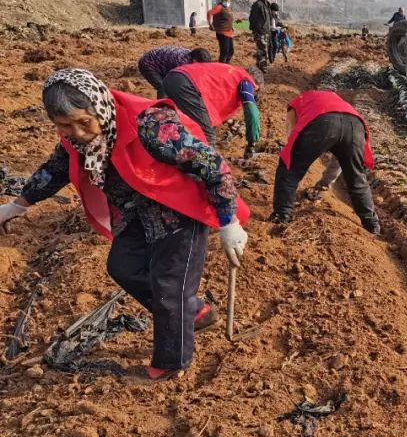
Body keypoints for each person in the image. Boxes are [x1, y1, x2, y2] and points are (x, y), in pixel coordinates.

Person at [0, 69, 250, 380]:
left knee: (170, 287)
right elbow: (54, 171)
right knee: (122, 267)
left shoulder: (152, 126)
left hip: (179, 211)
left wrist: (229, 222)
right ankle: (195, 311)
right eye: (65, 126)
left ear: (99, 108)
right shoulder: (74, 142)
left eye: (83, 122)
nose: (76, 132)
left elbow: (212, 164)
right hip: (133, 211)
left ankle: (172, 363)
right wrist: (16, 206)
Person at [270, 90, 379, 234]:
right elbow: (340, 159)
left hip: (323, 122)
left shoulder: (296, 103)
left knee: (290, 169)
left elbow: (292, 134)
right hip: (355, 126)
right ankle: (371, 224)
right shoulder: (339, 103)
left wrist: (298, 154)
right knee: (356, 178)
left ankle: (282, 215)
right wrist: (326, 183)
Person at [158, 61, 261, 154]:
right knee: (207, 136)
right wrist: (252, 142)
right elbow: (252, 113)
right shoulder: (247, 81)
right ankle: (208, 169)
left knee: (173, 125)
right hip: (187, 84)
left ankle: (170, 154)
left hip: (172, 77)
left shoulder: (231, 72)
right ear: (256, 83)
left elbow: (211, 104)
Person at [137, 46, 212, 96]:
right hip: (148, 64)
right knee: (163, 87)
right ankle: (161, 109)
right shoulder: (181, 62)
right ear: (194, 59)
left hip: (162, 63)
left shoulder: (191, 57)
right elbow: (180, 82)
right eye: (200, 64)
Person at [249, 0, 274, 72]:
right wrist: (254, 30)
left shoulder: (267, 4)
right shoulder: (257, 5)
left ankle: (260, 66)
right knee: (262, 50)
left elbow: (269, 18)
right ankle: (262, 67)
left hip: (267, 31)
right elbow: (252, 18)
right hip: (260, 32)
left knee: (266, 49)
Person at [207, 0, 235, 64]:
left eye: (228, 1)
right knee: (224, 52)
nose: (227, 2)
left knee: (231, 52)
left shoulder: (227, 9)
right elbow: (209, 13)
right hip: (222, 33)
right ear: (222, 0)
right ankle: (222, 66)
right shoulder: (219, 7)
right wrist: (210, 24)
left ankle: (226, 64)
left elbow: (228, 18)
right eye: (225, 0)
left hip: (229, 32)